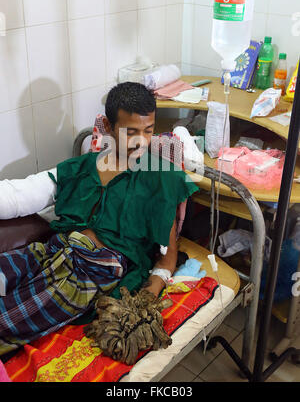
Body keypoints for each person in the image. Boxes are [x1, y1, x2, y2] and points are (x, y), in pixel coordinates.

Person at [0, 82, 199, 358]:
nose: (141, 141)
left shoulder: (161, 180)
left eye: (148, 130)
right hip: (52, 251)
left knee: (7, 317)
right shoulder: (80, 168)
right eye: (131, 131)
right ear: (107, 125)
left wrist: (142, 302)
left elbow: (166, 260)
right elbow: (19, 195)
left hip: (92, 275)